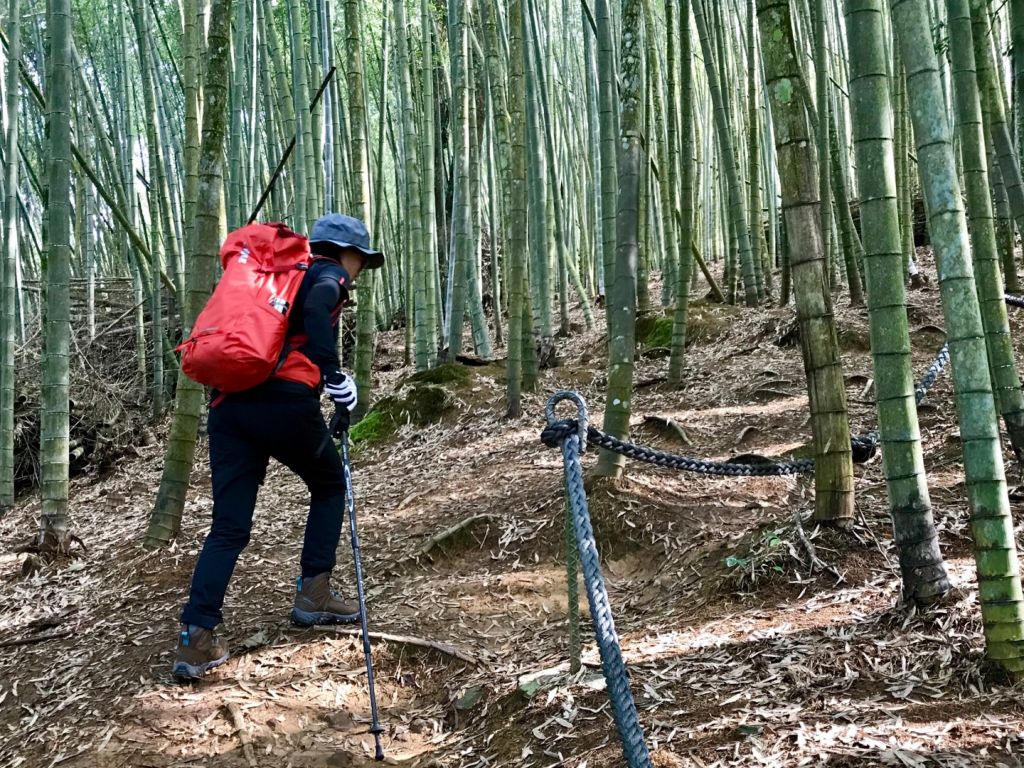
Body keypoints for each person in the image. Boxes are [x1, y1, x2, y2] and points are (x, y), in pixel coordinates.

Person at [172, 213, 385, 681]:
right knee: (330, 486)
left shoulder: (272, 278)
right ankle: (313, 594)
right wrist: (332, 376)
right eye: (360, 261)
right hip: (283, 401)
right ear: (342, 252)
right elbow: (319, 307)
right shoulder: (323, 272)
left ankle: (196, 638)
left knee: (228, 528)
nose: (359, 271)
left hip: (228, 408)